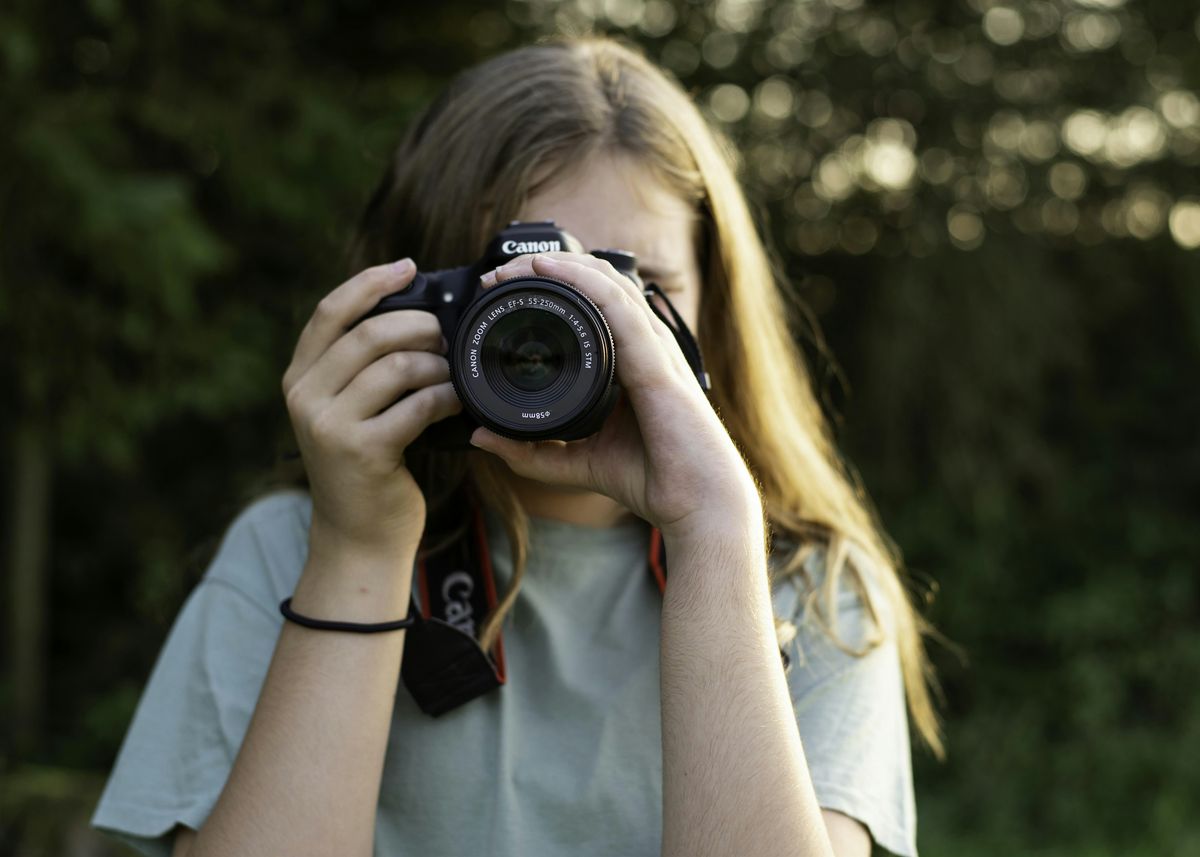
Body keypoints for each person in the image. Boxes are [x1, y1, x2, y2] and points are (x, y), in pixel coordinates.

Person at [90, 36, 941, 857]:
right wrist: (360, 549)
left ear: (714, 312)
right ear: (420, 299)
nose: (581, 330)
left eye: (632, 286)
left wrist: (716, 531)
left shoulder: (806, 589)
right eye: (519, 290)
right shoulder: (290, 554)